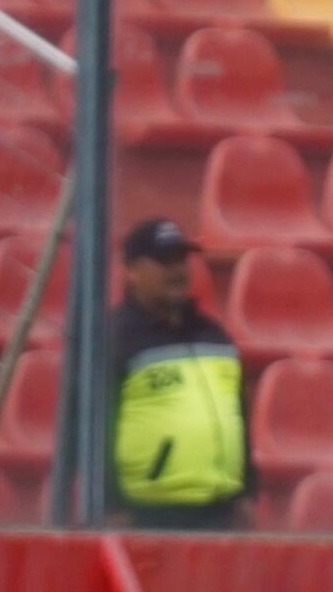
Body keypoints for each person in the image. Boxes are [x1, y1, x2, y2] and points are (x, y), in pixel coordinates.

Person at [107, 218, 250, 528]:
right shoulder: (114, 338)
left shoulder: (214, 335)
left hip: (221, 511)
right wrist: (111, 505)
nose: (177, 271)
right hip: (149, 515)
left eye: (181, 260)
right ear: (131, 271)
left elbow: (239, 415)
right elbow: (93, 428)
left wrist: (246, 491)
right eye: (164, 261)